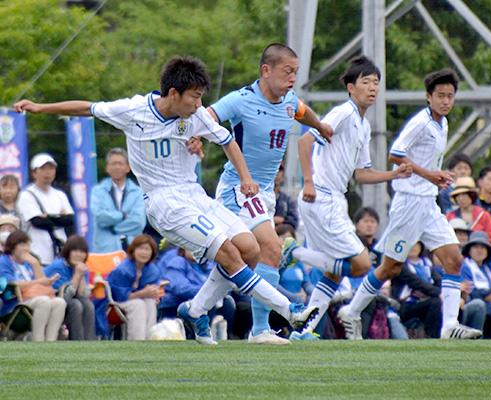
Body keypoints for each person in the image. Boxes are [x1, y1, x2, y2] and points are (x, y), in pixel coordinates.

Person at [14, 55, 318, 346]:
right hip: (165, 204)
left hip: (195, 194)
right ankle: (291, 310)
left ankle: (195, 311)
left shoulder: (195, 115)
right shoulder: (134, 110)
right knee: (228, 253)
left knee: (250, 249)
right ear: (173, 93)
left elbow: (227, 141)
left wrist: (246, 178)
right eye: (194, 97)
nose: (200, 105)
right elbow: (88, 108)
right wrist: (40, 108)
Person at [334, 68, 481, 340]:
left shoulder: (442, 123)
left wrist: (434, 177)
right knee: (391, 267)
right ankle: (351, 311)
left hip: (428, 203)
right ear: (428, 97)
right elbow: (395, 154)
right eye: (440, 96)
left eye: (450, 96)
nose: (446, 101)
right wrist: (430, 175)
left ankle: (449, 326)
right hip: (409, 203)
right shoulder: (421, 123)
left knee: (453, 259)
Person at [205, 43, 331, 345]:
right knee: (272, 248)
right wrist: (197, 138)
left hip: (265, 194)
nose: (292, 78)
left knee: (254, 258)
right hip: (239, 187)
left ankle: (200, 310)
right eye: (287, 71)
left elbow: (302, 111)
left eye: (296, 72)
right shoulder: (241, 100)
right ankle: (261, 330)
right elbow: (208, 115)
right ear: (266, 70)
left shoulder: (288, 100)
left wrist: (321, 126)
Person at [281, 56, 411, 340]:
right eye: (366, 82)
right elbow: (304, 141)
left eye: (376, 82)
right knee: (362, 264)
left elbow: (361, 174)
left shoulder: (363, 126)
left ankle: (305, 328)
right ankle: (294, 251)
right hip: (322, 198)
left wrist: (394, 175)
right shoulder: (343, 113)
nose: (373, 88)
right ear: (351, 88)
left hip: (333, 200)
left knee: (335, 272)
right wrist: (308, 182)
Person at [0, 230, 66, 341]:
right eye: (22, 245)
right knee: (43, 301)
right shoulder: (4, 262)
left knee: (60, 302)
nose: (26, 248)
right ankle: (38, 340)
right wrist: (38, 282)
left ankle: (51, 341)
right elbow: (10, 284)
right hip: (15, 304)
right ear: (12, 246)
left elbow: (43, 285)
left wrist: (35, 264)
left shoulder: (28, 263)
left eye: (28, 244)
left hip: (34, 298)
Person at [16, 153, 74, 265]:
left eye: (51, 168)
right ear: (34, 172)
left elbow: (70, 220)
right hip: (37, 254)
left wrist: (49, 216)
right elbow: (37, 221)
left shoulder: (60, 195)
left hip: (60, 253)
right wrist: (59, 217)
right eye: (43, 169)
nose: (47, 172)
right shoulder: (26, 195)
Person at [90, 148, 146, 252]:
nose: (117, 167)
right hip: (105, 250)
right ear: (107, 168)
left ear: (128, 167)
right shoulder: (98, 191)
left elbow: (139, 222)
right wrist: (123, 216)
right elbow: (100, 218)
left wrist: (112, 228)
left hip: (132, 249)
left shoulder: (138, 192)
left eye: (120, 163)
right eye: (113, 163)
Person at [107, 235, 161, 340]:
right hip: (116, 302)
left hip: (139, 300)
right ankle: (137, 341)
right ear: (133, 250)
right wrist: (143, 293)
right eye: (141, 248)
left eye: (147, 249)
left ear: (152, 253)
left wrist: (155, 295)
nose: (144, 252)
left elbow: (153, 290)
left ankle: (151, 341)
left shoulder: (153, 270)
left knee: (150, 302)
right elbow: (120, 296)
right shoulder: (122, 270)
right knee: (138, 304)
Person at [43, 235, 96, 340]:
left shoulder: (79, 267)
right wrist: (77, 275)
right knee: (76, 305)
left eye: (82, 252)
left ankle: (90, 342)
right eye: (75, 251)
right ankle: (77, 343)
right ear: (68, 251)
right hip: (51, 304)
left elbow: (83, 295)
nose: (79, 255)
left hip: (67, 303)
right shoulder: (58, 266)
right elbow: (64, 298)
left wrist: (80, 276)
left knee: (88, 304)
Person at [446, 176, 491, 242]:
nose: (461, 198)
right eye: (458, 195)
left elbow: (490, 238)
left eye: (464, 194)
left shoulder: (484, 215)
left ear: (472, 195)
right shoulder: (449, 216)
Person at [273, 165, 299, 229]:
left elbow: (294, 221)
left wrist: (283, 220)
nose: (277, 175)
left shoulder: (287, 199)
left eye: (280, 172)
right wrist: (273, 219)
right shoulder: (261, 196)